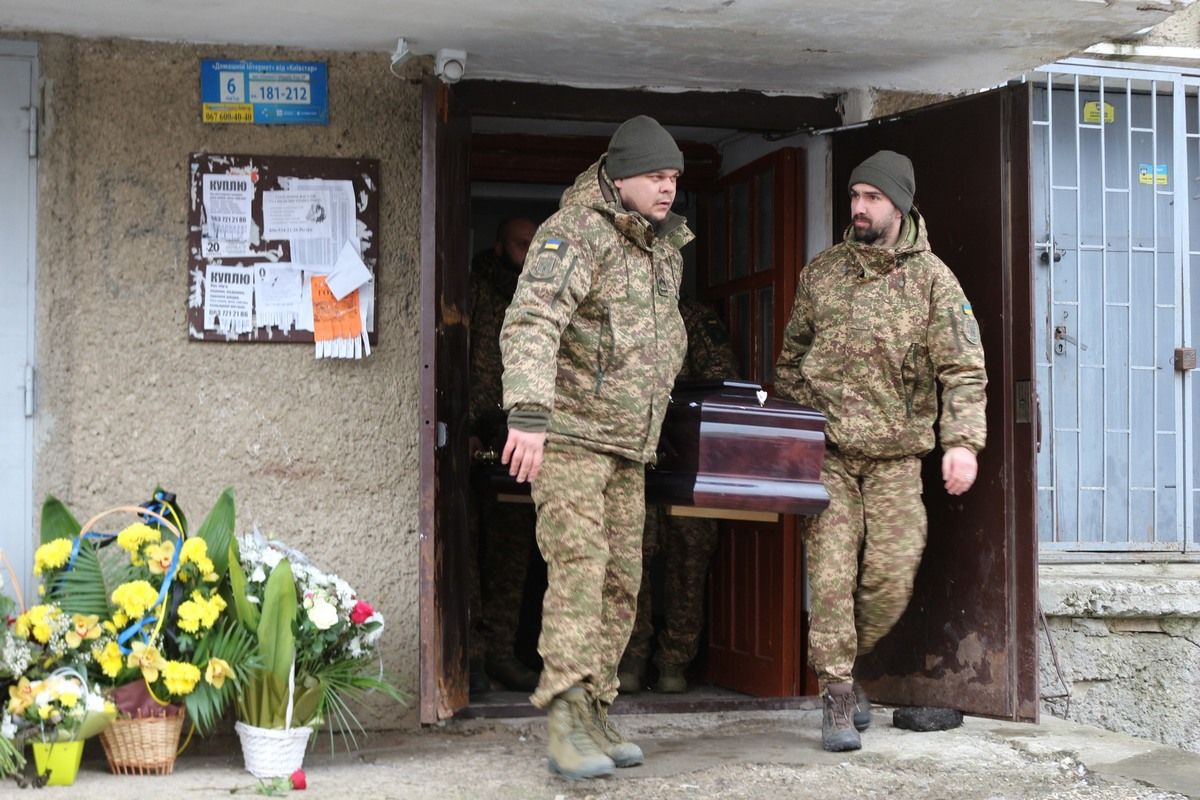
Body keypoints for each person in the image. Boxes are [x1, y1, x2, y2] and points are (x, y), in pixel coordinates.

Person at [773, 150, 987, 753]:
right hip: (830, 452)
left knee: (890, 579)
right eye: (853, 197)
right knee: (833, 573)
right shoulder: (823, 272)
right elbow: (791, 360)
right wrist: (791, 436)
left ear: (901, 203)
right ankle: (837, 691)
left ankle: (846, 658)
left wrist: (962, 443)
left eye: (872, 197)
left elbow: (964, 370)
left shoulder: (934, 281)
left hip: (896, 456)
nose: (859, 208)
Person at [499, 115, 691, 780]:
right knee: (579, 574)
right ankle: (563, 719)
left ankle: (594, 710)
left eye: (673, 178)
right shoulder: (576, 231)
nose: (667, 189)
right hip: (574, 438)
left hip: (627, 445)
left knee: (619, 583)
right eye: (655, 177)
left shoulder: (661, 247)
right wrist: (527, 414)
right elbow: (533, 318)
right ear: (621, 176)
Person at [618, 298, 738, 694]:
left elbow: (722, 381)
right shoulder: (621, 310)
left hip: (688, 457)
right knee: (629, 557)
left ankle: (674, 662)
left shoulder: (696, 317)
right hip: (632, 455)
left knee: (689, 559)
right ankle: (632, 656)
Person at [466, 217, 543, 694]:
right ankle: (471, 660)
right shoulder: (475, 288)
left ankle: (500, 654)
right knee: (468, 556)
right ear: (499, 246)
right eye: (520, 243)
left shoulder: (543, 291)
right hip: (473, 436)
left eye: (535, 244)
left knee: (513, 552)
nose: (528, 251)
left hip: (521, 439)